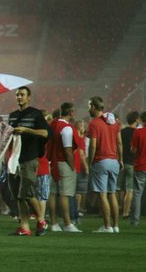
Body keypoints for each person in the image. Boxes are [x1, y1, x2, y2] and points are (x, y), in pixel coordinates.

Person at [7, 86, 51, 236]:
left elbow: (45, 133)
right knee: (18, 196)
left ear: (29, 97)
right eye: (17, 95)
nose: (19, 97)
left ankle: (41, 220)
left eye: (22, 95)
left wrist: (27, 130)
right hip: (15, 159)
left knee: (27, 193)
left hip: (29, 158)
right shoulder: (12, 116)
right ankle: (25, 227)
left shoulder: (36, 114)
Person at [86, 96, 121, 233]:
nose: (88, 108)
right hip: (114, 161)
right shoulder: (114, 122)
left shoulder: (94, 123)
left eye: (89, 106)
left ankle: (107, 226)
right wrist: (121, 159)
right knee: (112, 194)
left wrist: (90, 161)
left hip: (101, 161)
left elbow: (93, 145)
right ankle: (116, 226)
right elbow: (119, 142)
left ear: (94, 107)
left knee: (102, 194)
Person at [46, 102, 83, 232]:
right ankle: (67, 223)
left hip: (52, 162)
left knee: (53, 193)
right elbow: (68, 149)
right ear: (71, 112)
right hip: (63, 163)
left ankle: (54, 223)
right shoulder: (67, 128)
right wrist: (72, 165)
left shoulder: (53, 124)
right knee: (65, 194)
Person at [130, 111, 146, 226]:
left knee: (137, 194)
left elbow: (133, 150)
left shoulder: (138, 132)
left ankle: (135, 220)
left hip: (140, 165)